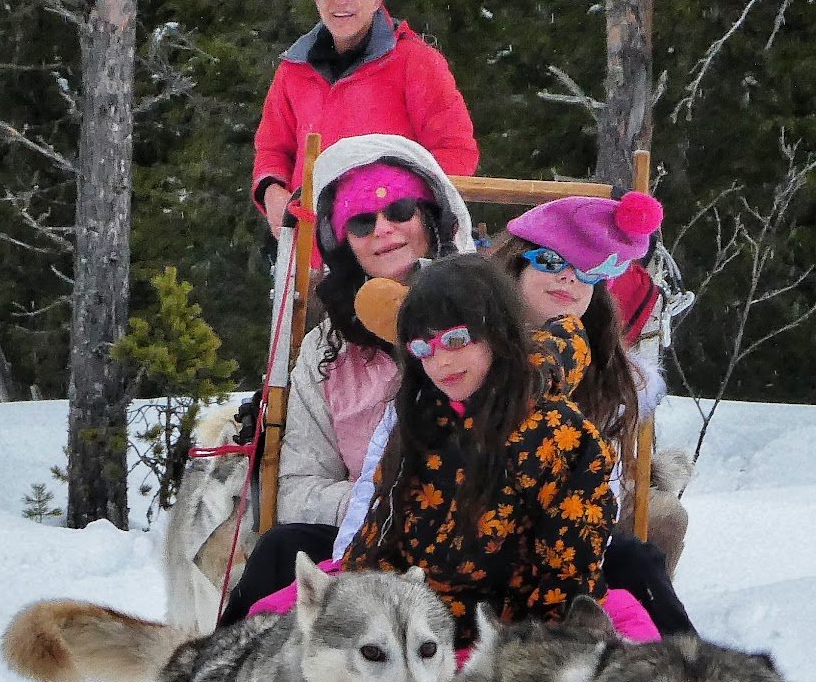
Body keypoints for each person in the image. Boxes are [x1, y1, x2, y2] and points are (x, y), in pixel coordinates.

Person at [218, 133, 476, 625]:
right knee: (281, 547)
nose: (383, 229)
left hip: (478, 531)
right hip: (364, 538)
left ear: (431, 217)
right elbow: (296, 487)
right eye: (361, 221)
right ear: (343, 243)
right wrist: (381, 502)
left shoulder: (487, 311)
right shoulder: (327, 348)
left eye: (400, 210)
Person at [341, 255, 619, 642]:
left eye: (455, 339)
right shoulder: (427, 415)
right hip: (417, 618)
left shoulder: (555, 431)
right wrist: (349, 600)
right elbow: (383, 530)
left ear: (499, 332)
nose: (441, 361)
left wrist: (537, 653)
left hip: (507, 632)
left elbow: (568, 564)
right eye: (423, 347)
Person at [486, 191, 695, 637]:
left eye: (588, 271)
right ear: (517, 264)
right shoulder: (473, 348)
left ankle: (687, 679)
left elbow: (604, 486)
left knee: (638, 563)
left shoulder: (604, 372)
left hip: (570, 539)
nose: (568, 279)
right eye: (550, 261)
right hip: (475, 528)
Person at [250, 0, 478, 229]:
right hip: (310, 243)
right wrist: (272, 191)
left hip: (393, 238)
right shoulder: (294, 69)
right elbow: (272, 148)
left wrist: (397, 203)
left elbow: (456, 151)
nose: (340, 0)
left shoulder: (415, 62)